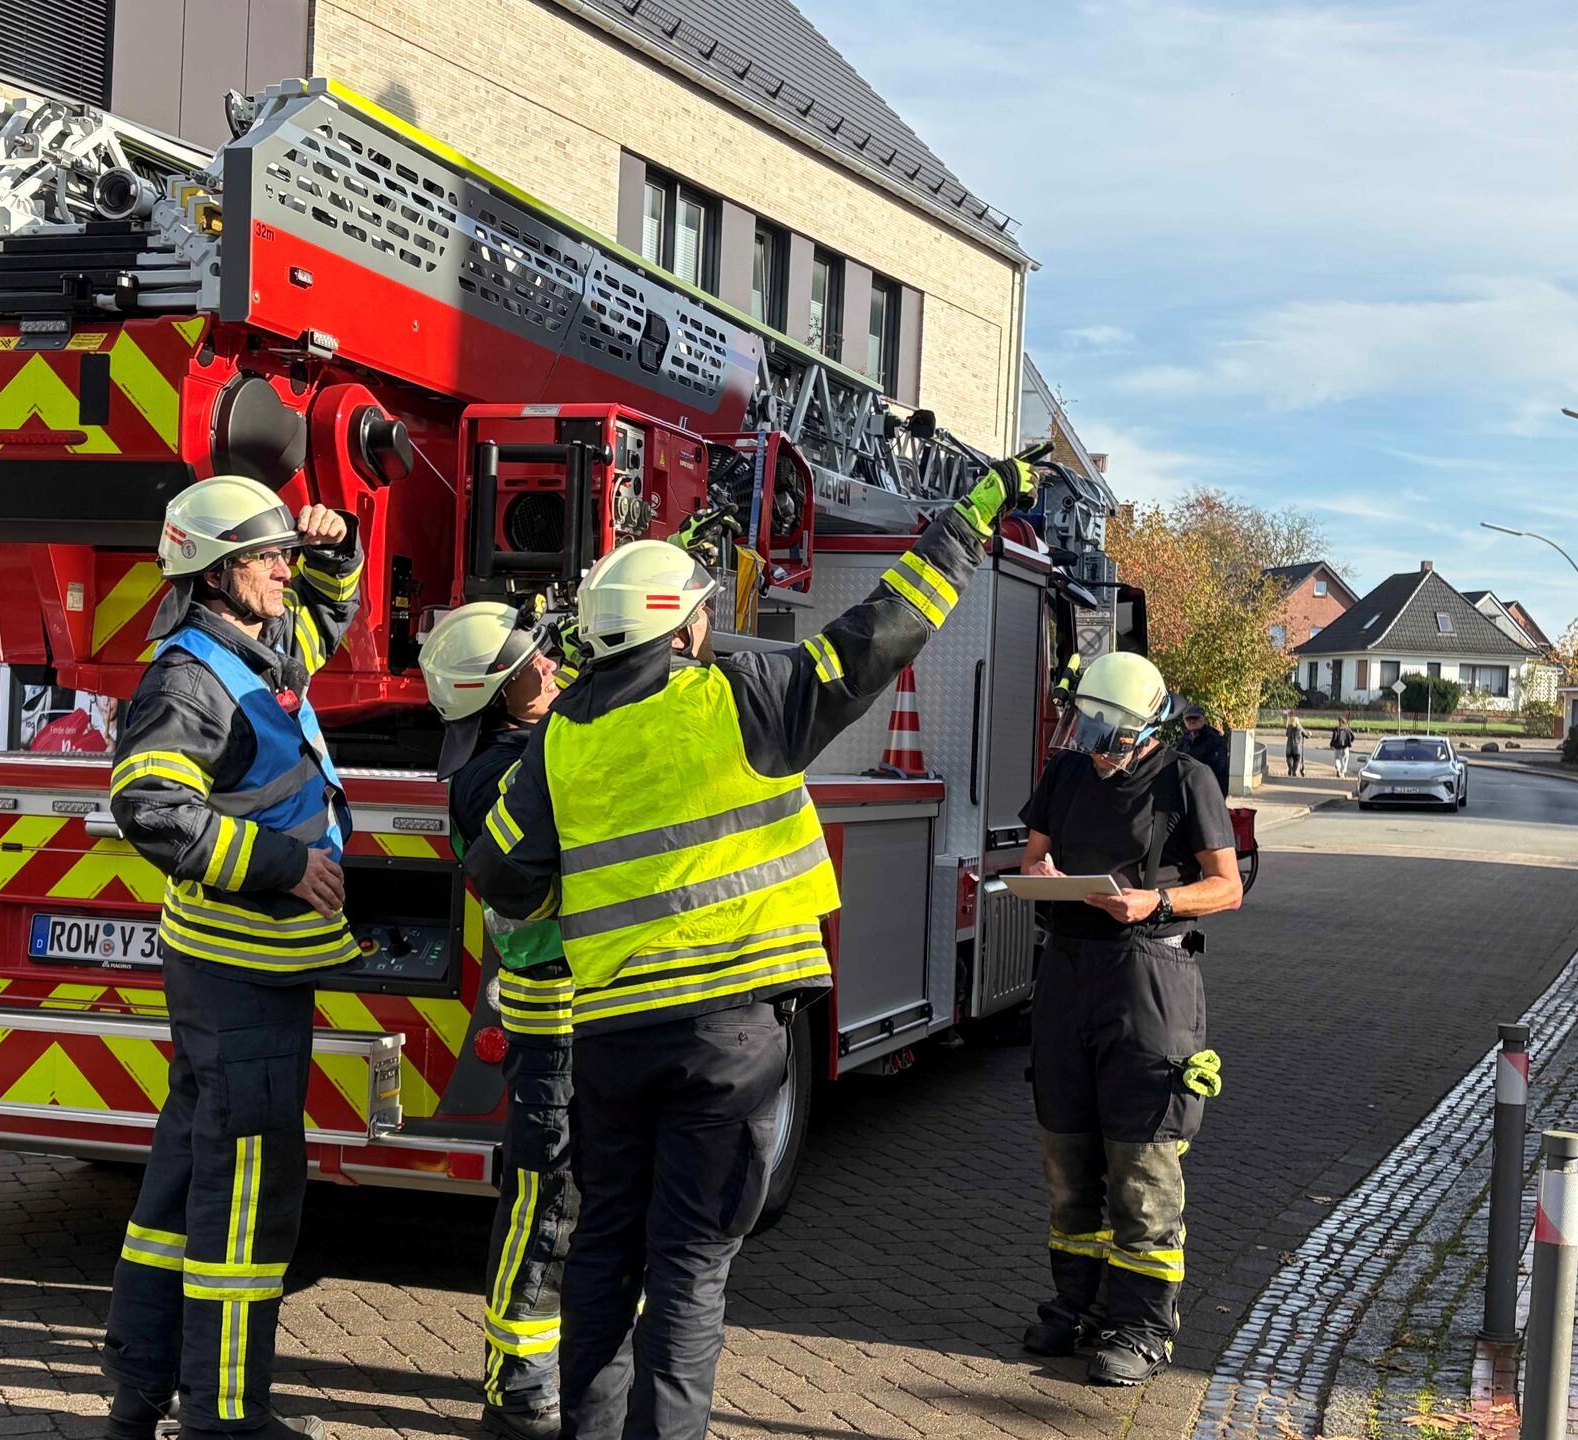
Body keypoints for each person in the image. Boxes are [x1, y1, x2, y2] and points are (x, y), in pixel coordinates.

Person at [465, 462, 1032, 1439]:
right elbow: (882, 634)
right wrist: (963, 527)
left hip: (607, 1035)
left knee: (602, 1248)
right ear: (680, 626)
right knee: (686, 1264)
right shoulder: (747, 693)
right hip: (729, 1039)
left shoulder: (560, 739)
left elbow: (502, 872)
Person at [100, 475, 361, 1440]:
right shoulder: (189, 680)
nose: (287, 571)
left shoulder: (254, 644)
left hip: (241, 974)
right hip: (238, 972)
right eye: (271, 556)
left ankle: (139, 1391)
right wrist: (285, 865)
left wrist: (334, 546)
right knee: (246, 1203)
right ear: (217, 574)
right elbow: (151, 807)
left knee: (182, 1180)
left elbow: (328, 617)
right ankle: (223, 1418)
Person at [1018, 651, 1243, 1385]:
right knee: (1068, 1158)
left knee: (1142, 1165)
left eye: (1107, 740)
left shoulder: (1188, 780)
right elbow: (1036, 860)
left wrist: (1158, 904)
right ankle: (1075, 1306)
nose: (1094, 752)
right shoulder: (1067, 774)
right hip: (1067, 975)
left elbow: (1227, 887)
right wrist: (1041, 882)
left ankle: (1142, 1328)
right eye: (1085, 734)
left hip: (1150, 980)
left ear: (1145, 731)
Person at [419, 602, 577, 1440]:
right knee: (541, 1198)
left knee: (582, 1197)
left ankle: (569, 1369)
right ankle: (515, 1387)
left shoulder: (525, 745)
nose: (551, 670)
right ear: (492, 691)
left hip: (592, 1005)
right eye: (534, 665)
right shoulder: (495, 778)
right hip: (553, 1013)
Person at [1177, 704, 1229, 797]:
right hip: (1187, 792)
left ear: (1204, 719)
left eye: (1196, 718)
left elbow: (1219, 772)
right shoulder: (1184, 740)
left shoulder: (1214, 740)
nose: (1192, 722)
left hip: (1209, 792)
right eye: (1189, 719)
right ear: (1184, 721)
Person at [1283, 710, 1308, 777]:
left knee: (1289, 758)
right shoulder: (1300, 728)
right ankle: (1294, 771)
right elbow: (1306, 735)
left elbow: (1287, 734)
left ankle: (1290, 768)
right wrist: (1309, 734)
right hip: (1297, 748)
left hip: (1289, 747)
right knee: (1296, 760)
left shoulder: (1289, 727)